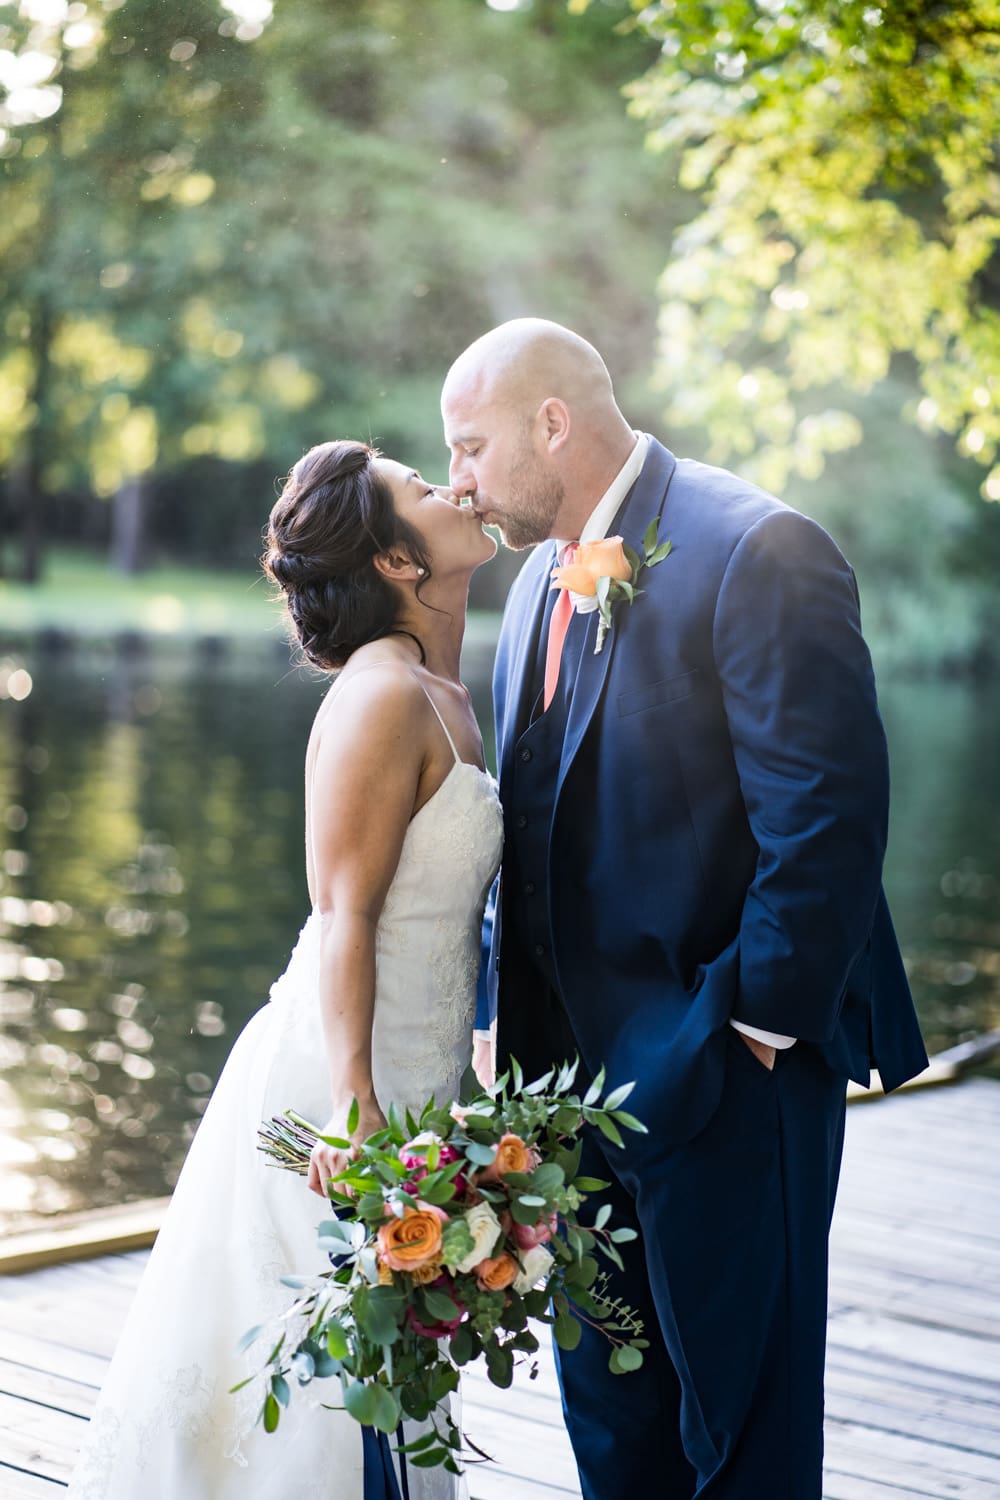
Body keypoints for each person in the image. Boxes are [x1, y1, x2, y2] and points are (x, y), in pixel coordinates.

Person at [442, 319, 928, 1500]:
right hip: (562, 1107)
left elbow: (824, 820)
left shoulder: (758, 547)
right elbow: (539, 825)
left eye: (469, 446)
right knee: (614, 1429)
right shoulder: (535, 588)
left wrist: (755, 1030)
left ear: (551, 422)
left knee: (743, 1429)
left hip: (727, 1075)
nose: (458, 480)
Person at [67, 440, 502, 1500]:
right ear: (398, 563)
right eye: (418, 487)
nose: (449, 487)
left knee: (385, 1374)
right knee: (314, 1401)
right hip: (340, 1085)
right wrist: (357, 1106)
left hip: (418, 1075)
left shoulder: (441, 691)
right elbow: (343, 913)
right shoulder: (381, 696)